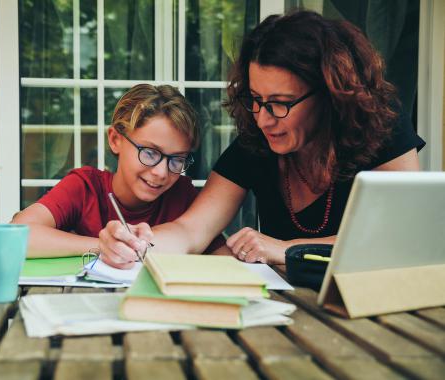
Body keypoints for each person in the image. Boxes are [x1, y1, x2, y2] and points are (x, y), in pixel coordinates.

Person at [97, 10, 425, 268]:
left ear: (329, 94)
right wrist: (138, 243)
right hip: (287, 309)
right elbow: (191, 231)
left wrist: (285, 249)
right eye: (255, 99)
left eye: (280, 103)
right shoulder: (256, 142)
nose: (263, 118)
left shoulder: (382, 127)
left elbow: (399, 237)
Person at [12, 84, 227, 257]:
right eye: (150, 153)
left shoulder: (182, 195)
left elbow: (223, 259)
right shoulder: (85, 187)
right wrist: (103, 246)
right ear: (115, 140)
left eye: (177, 159)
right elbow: (16, 235)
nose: (162, 172)